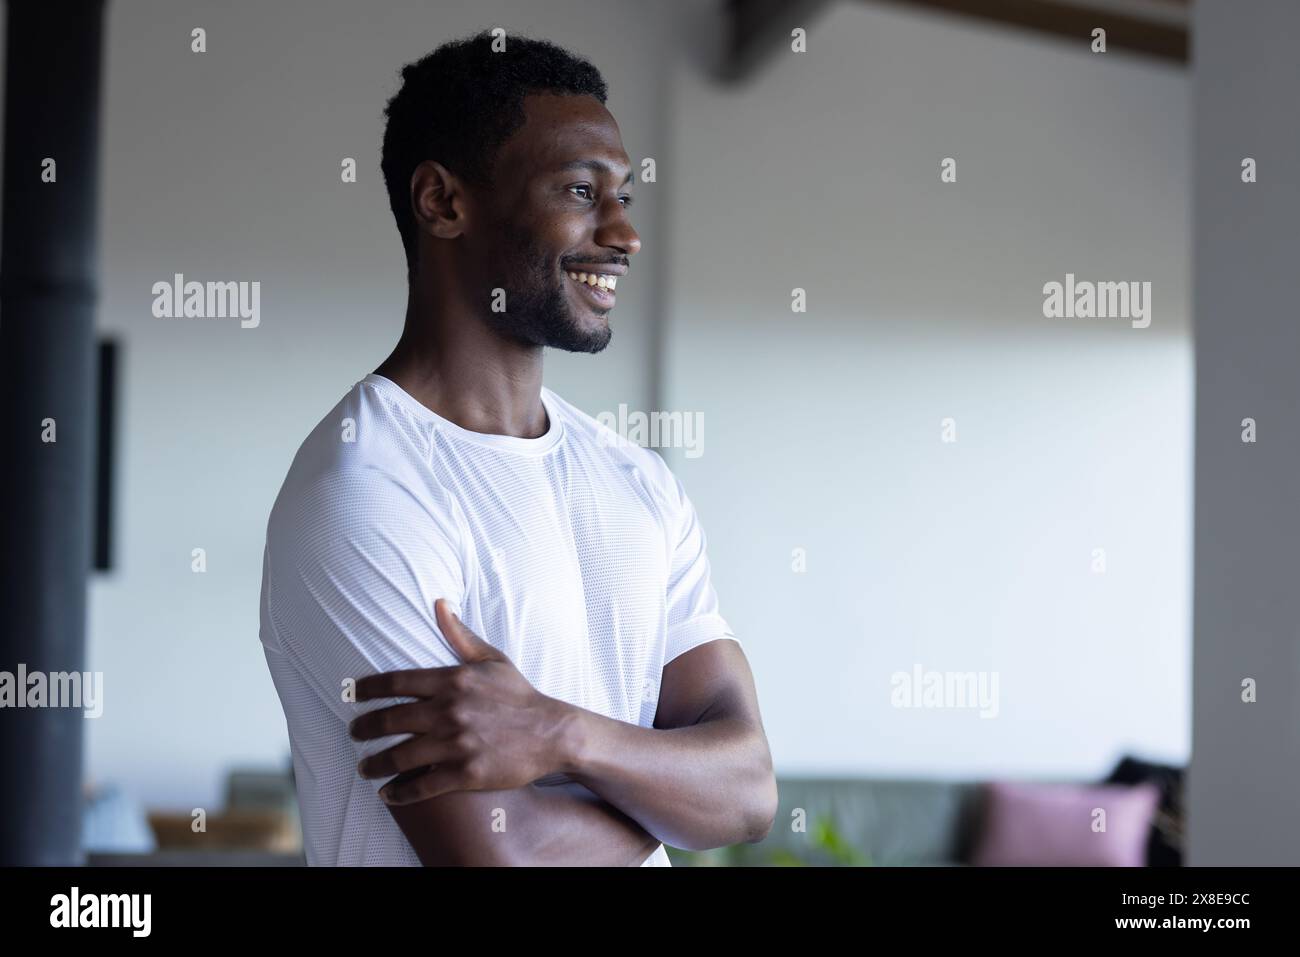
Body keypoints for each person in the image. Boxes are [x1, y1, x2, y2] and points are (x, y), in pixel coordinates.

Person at [258, 29, 776, 866]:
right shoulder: (362, 491)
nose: (624, 235)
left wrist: (561, 735)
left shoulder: (637, 481)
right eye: (580, 189)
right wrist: (675, 794)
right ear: (443, 202)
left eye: (625, 198)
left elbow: (750, 790)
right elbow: (508, 854)